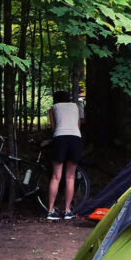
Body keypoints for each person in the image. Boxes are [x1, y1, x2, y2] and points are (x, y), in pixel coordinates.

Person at [46, 90, 84, 221]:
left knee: (56, 176)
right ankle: (67, 210)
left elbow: (53, 127)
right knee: (70, 177)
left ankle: (50, 210)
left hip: (60, 138)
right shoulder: (76, 107)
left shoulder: (53, 108)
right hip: (75, 139)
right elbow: (78, 126)